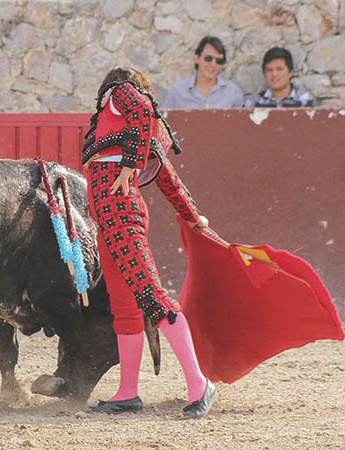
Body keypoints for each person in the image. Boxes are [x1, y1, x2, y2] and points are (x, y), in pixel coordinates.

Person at [82, 67, 216, 418]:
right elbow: (167, 177)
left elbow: (141, 109)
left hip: (119, 212)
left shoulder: (120, 93)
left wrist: (129, 164)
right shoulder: (136, 129)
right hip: (108, 219)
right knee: (125, 307)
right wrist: (192, 215)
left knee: (152, 298)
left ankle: (199, 384)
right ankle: (128, 393)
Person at [162, 36, 243, 109]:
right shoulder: (177, 92)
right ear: (197, 58)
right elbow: (163, 120)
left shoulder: (233, 93)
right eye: (208, 58)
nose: (213, 64)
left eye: (219, 61)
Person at [244, 47, 315, 108]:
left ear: (291, 73)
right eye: (269, 70)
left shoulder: (304, 100)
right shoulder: (253, 102)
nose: (274, 74)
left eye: (279, 69)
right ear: (264, 73)